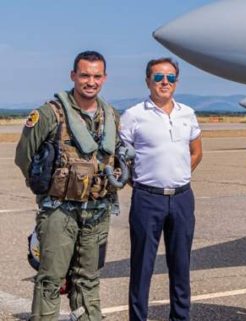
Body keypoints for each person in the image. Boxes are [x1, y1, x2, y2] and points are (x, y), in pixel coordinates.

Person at [15, 51, 124, 321]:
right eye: (85, 75)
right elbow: (23, 156)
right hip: (59, 212)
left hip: (97, 211)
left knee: (88, 278)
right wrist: (47, 188)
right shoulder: (49, 114)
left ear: (105, 78)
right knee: (51, 278)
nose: (91, 81)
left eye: (97, 76)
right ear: (73, 75)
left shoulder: (110, 115)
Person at [120, 57, 203, 321]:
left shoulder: (187, 113)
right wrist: (144, 182)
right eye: (158, 77)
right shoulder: (133, 115)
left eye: (169, 78)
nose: (164, 82)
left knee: (181, 266)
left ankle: (180, 317)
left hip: (181, 198)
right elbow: (122, 159)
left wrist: (179, 174)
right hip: (147, 199)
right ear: (148, 81)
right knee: (142, 266)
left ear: (176, 82)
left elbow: (197, 152)